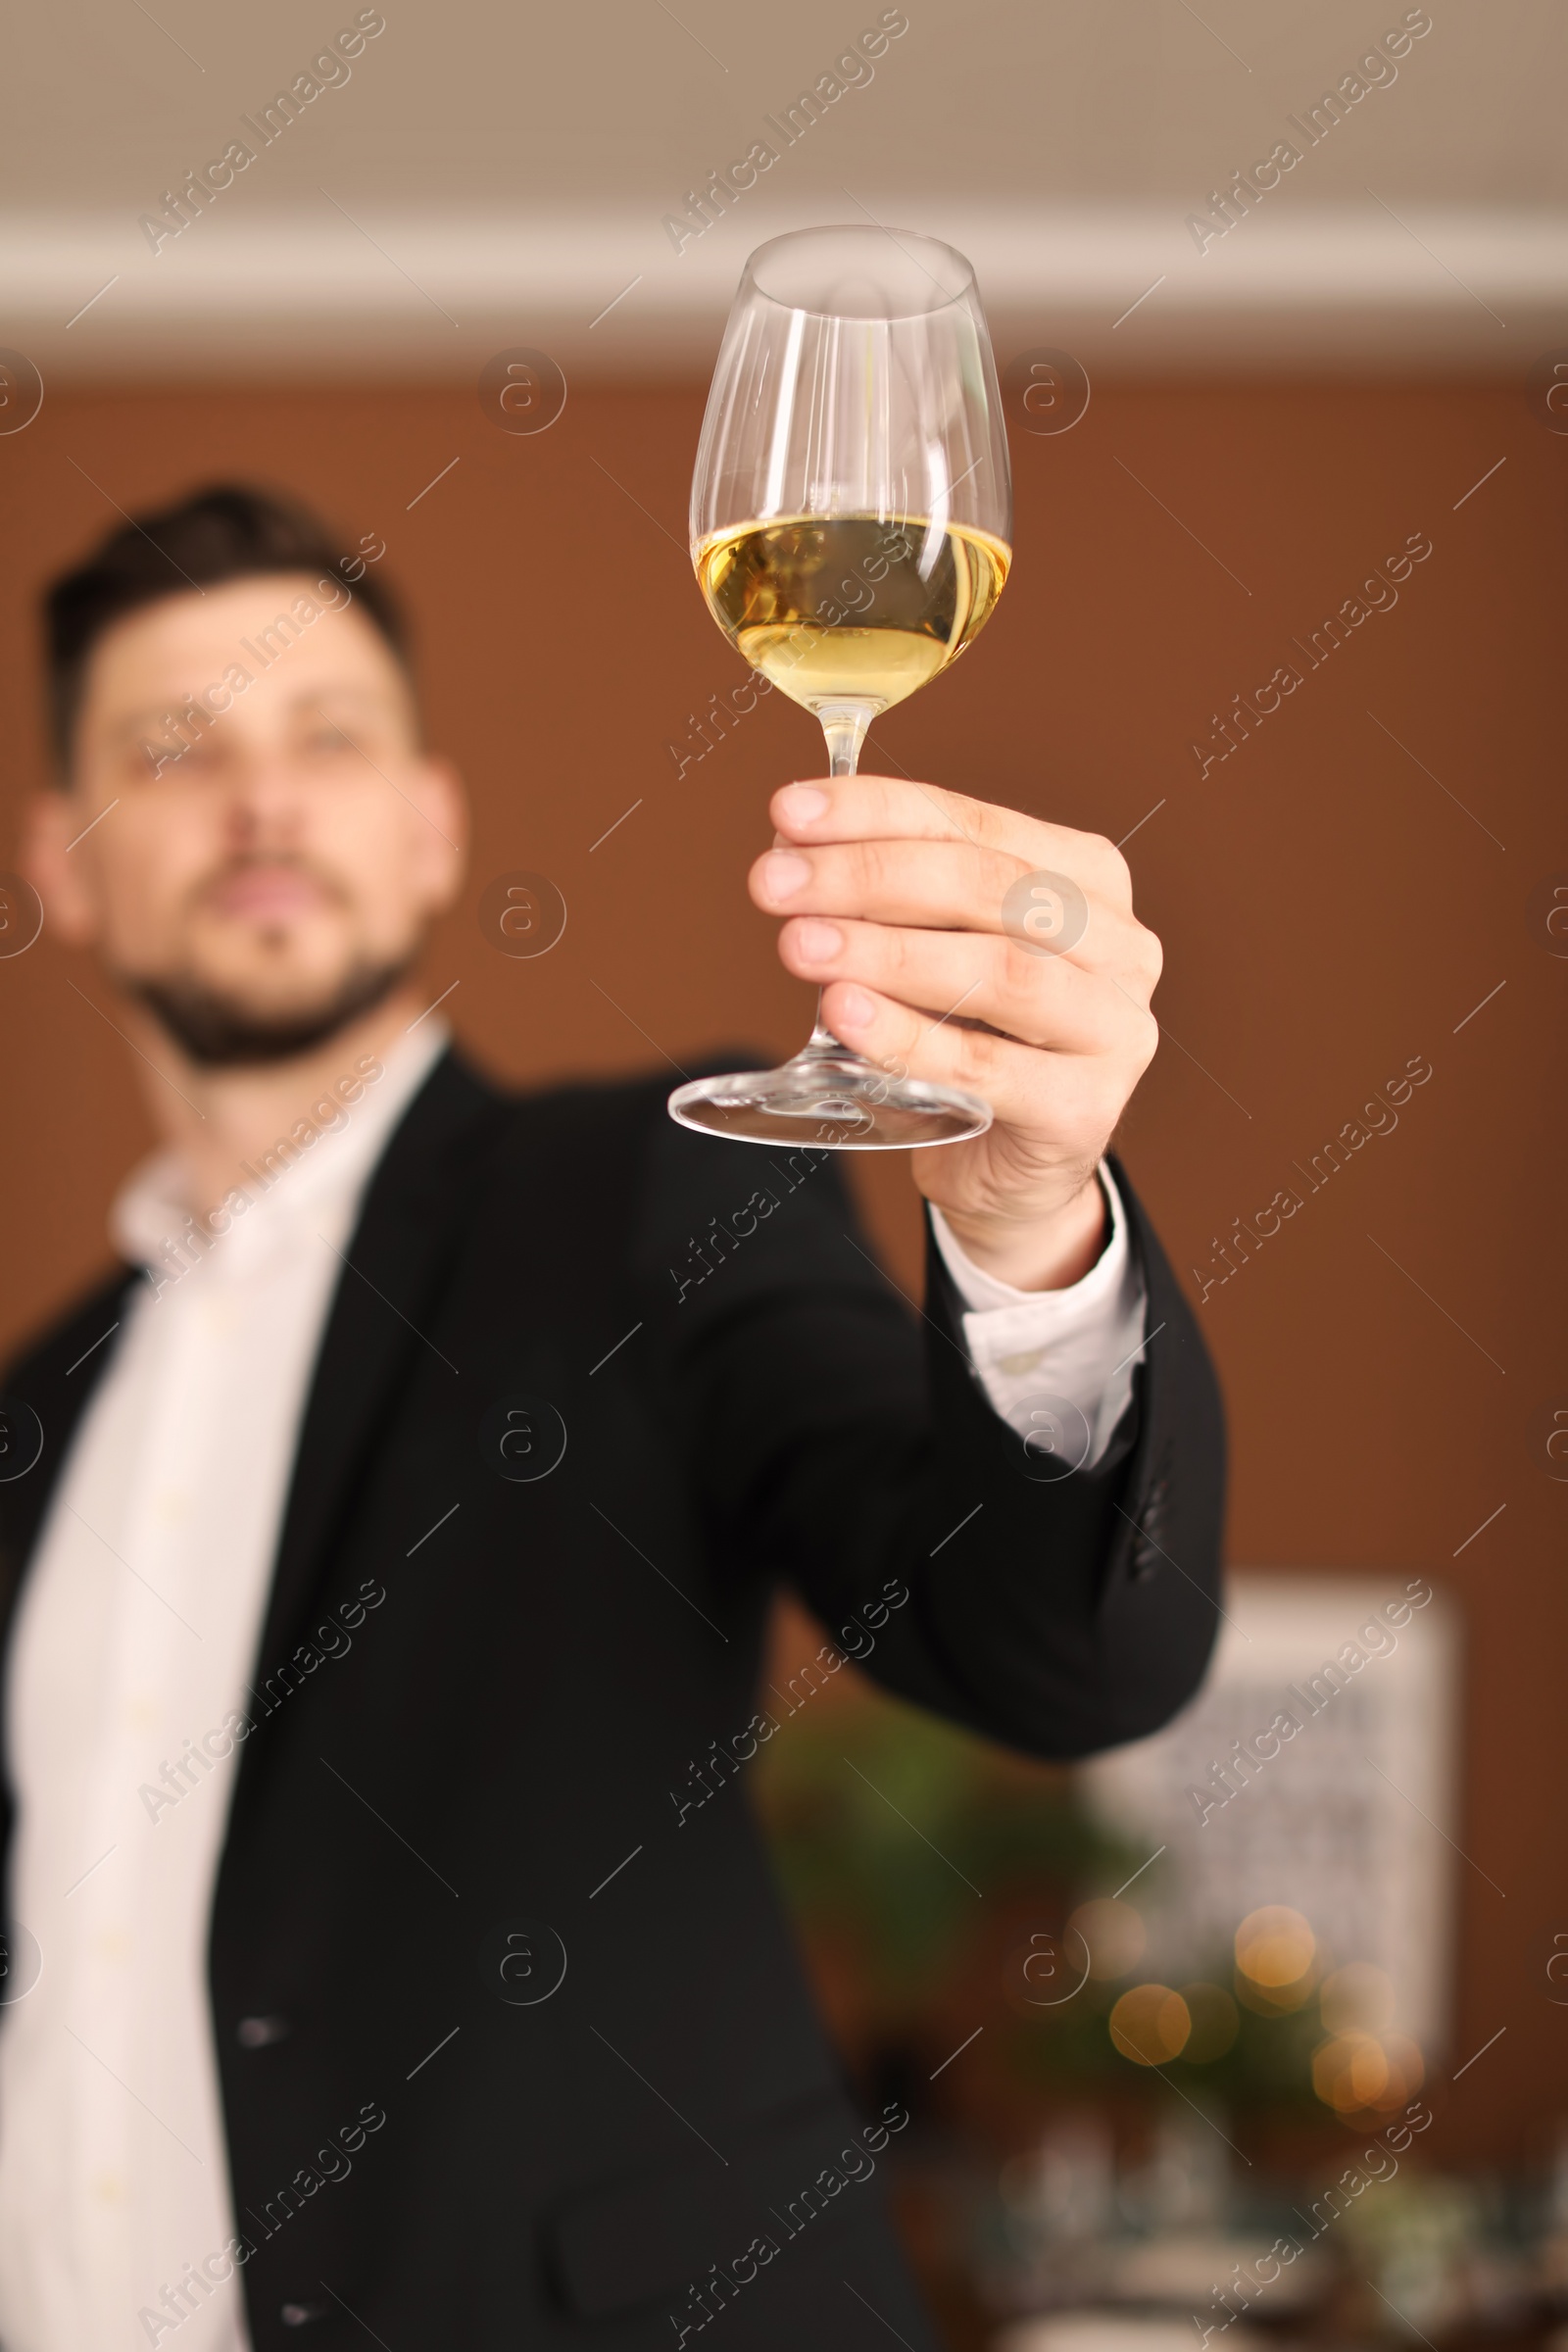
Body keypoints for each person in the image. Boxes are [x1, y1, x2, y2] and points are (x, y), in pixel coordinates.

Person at [0, 484, 1223, 2352]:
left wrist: (1026, 1217)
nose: (259, 802)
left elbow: (1049, 1652)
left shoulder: (642, 1198)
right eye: (175, 752)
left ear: (429, 835)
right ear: (64, 863)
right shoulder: (33, 1411)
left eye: (325, 740)